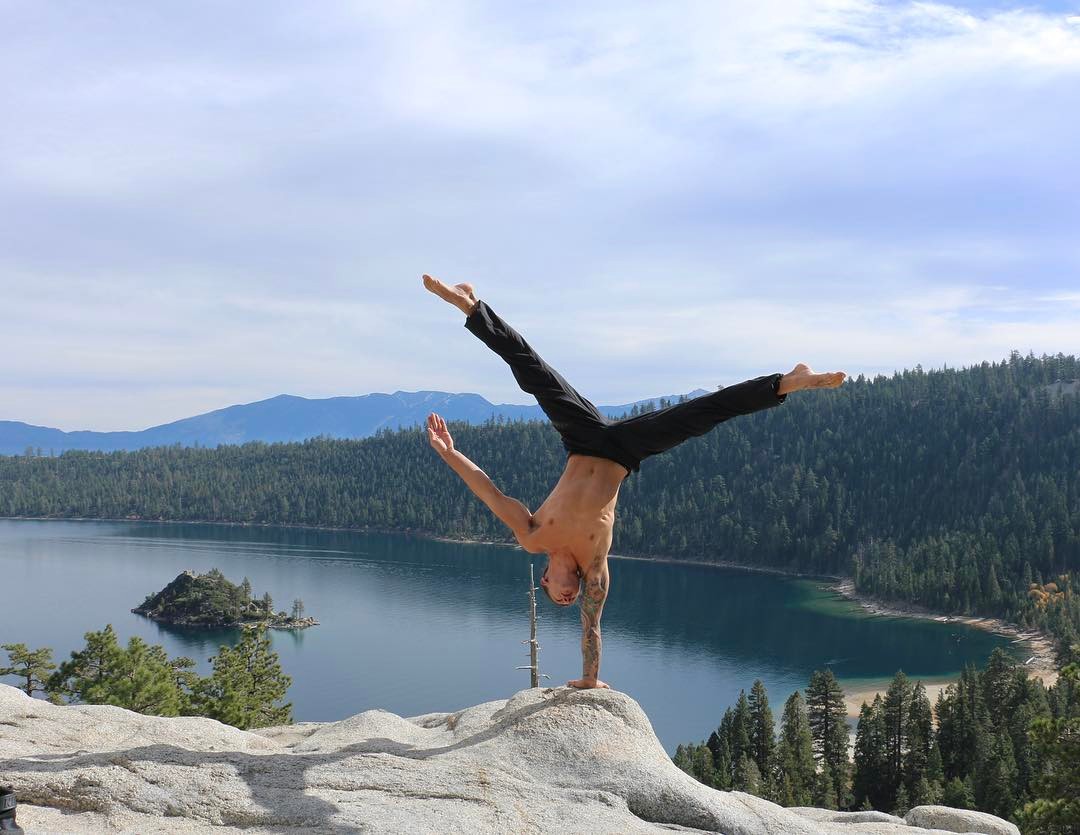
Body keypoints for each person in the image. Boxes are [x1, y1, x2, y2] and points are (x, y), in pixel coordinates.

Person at [422, 275, 845, 690]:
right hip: (625, 452)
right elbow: (591, 628)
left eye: (559, 597)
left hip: (582, 439)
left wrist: (448, 451)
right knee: (703, 413)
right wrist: (589, 679)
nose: (568, 601)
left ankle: (470, 305)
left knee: (532, 370)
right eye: (570, 602)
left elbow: (487, 490)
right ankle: (787, 383)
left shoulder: (533, 536)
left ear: (546, 580)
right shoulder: (595, 569)